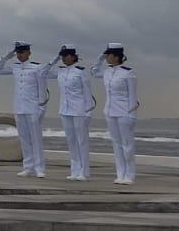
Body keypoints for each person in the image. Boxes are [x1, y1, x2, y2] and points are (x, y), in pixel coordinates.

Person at [0, 42, 48, 178]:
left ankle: (39, 168)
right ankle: (28, 167)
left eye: (22, 52)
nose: (20, 55)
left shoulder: (37, 68)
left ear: (29, 53)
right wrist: (8, 55)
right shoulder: (15, 67)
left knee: (36, 139)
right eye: (18, 53)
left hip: (33, 108)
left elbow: (42, 88)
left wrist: (42, 107)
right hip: (19, 107)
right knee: (24, 139)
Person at [44, 45, 95, 180]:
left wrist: (88, 112)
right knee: (71, 141)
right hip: (65, 109)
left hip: (79, 110)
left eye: (66, 56)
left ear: (73, 56)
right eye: (62, 56)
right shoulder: (60, 71)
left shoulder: (81, 72)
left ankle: (84, 172)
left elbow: (87, 93)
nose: (63, 58)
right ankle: (75, 170)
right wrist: (54, 59)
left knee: (81, 141)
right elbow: (43, 73)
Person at [92, 43, 139, 184]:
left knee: (127, 145)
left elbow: (133, 96)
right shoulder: (107, 72)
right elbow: (94, 72)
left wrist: (131, 114)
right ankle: (120, 174)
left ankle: (129, 175)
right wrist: (100, 58)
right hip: (110, 111)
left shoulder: (128, 73)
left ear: (116, 56)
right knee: (116, 144)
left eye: (109, 55)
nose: (107, 57)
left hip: (125, 112)